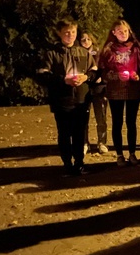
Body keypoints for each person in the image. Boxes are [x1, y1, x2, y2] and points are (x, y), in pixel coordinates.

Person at [36, 19, 97, 176]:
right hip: (62, 100)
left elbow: (94, 71)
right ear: (59, 33)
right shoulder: (52, 53)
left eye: (73, 32)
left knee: (79, 134)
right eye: (67, 32)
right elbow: (43, 75)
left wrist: (86, 78)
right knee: (64, 133)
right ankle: (67, 164)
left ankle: (79, 164)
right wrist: (63, 80)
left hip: (81, 100)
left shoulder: (83, 52)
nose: (70, 35)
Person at [98, 20, 140, 166]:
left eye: (125, 31)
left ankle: (132, 153)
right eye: (119, 31)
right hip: (115, 91)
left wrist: (137, 76)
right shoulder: (108, 50)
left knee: (131, 122)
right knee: (117, 122)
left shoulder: (136, 48)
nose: (123, 34)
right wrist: (116, 75)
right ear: (114, 33)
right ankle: (119, 154)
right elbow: (103, 72)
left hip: (132, 89)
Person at [79, 31, 108, 156]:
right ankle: (85, 143)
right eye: (83, 39)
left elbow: (105, 67)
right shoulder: (77, 53)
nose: (86, 42)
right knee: (83, 118)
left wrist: (102, 77)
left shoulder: (99, 53)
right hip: (83, 89)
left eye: (88, 39)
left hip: (99, 89)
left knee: (100, 117)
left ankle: (102, 142)